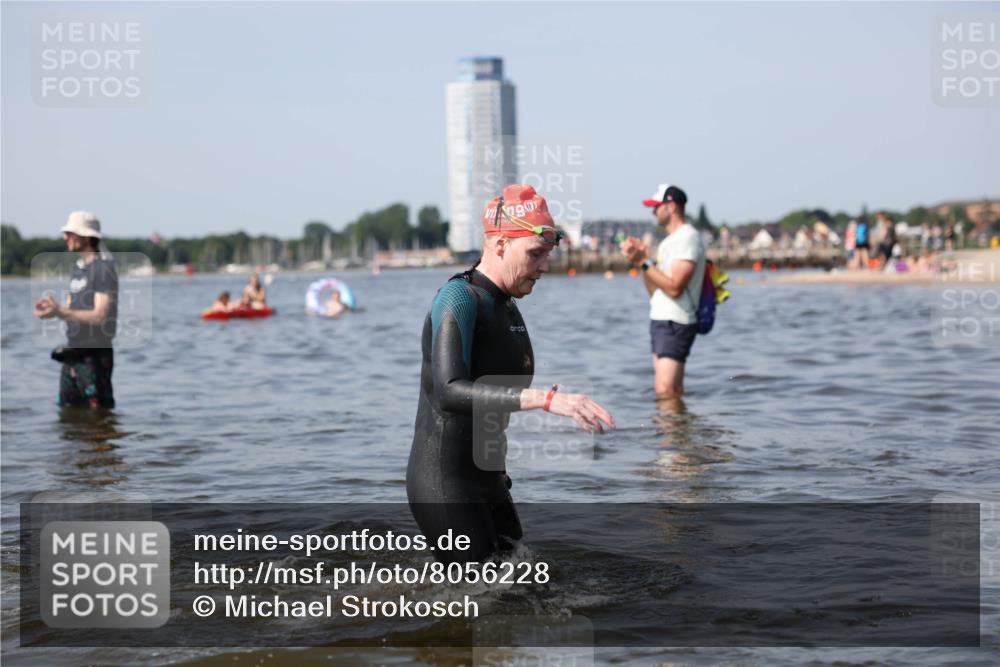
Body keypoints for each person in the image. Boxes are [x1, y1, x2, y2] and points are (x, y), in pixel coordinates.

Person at [407, 184, 615, 564]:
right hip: (446, 485)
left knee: (526, 584)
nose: (545, 266)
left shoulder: (505, 304)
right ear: (501, 244)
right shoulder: (458, 299)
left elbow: (494, 395)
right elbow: (449, 392)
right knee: (488, 594)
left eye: (547, 255)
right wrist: (545, 400)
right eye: (535, 254)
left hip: (490, 480)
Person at [619, 184, 705, 402]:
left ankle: (671, 426)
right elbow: (655, 292)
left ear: (672, 206)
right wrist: (643, 261)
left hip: (676, 321)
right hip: (662, 320)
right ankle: (678, 424)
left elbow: (674, 288)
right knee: (670, 391)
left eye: (657, 206)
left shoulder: (687, 237)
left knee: (665, 391)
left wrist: (643, 261)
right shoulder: (669, 241)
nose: (653, 211)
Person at [33, 212, 118, 409]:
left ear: (86, 237)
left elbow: (100, 316)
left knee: (100, 416)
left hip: (95, 355)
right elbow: (70, 310)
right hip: (72, 353)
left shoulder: (103, 269)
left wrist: (60, 312)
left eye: (70, 233)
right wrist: (53, 309)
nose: (65, 237)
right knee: (67, 415)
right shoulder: (78, 269)